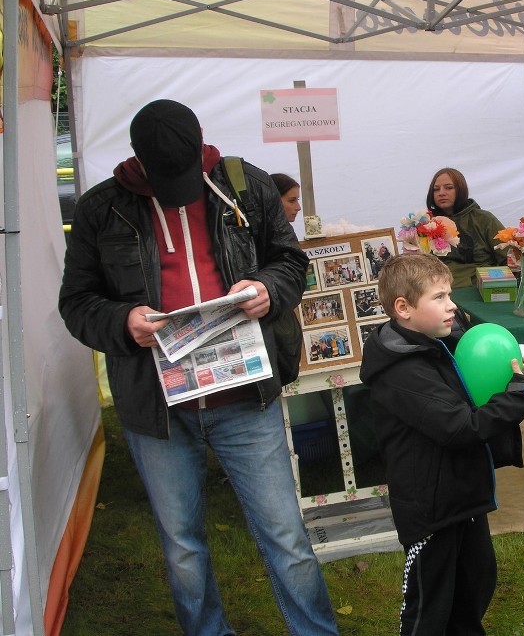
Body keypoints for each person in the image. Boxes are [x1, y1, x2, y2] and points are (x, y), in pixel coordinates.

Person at [59, 99, 338, 636]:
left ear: (200, 145)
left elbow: (290, 261)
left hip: (245, 397)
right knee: (183, 546)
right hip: (157, 408)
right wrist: (124, 322)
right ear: (138, 159)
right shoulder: (102, 208)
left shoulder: (245, 185)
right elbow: (76, 303)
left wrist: (267, 291)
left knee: (287, 536)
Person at [359, 252, 524, 635]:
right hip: (430, 509)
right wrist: (517, 397)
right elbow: (459, 427)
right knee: (429, 605)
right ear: (403, 308)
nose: (451, 305)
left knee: (475, 584)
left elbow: (472, 355)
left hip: (462, 496)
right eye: (439, 297)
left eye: (449, 294)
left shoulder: (435, 342)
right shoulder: (401, 371)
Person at [426, 167, 508, 287]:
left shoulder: (484, 219)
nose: (441, 193)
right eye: (436, 189)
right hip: (439, 289)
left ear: (461, 190)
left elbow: (509, 258)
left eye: (449, 188)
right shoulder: (426, 223)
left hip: (480, 288)